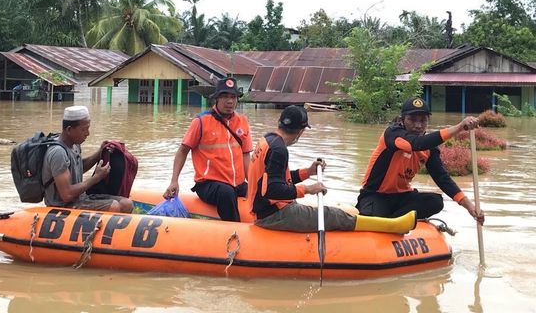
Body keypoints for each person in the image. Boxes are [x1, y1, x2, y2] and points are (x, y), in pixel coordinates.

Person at [248, 105, 416, 233]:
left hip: (265, 209)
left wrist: (308, 172)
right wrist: (308, 189)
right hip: (273, 215)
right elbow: (272, 190)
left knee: (334, 211)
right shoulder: (279, 150)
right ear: (301, 131)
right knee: (333, 215)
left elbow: (276, 179)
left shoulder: (268, 140)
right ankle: (393, 226)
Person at [356, 97, 485, 225]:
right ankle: (388, 222)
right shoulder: (392, 134)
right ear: (402, 120)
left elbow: (442, 178)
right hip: (375, 195)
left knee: (435, 202)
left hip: (403, 198)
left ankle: (393, 222)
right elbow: (415, 144)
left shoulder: (429, 149)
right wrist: (459, 127)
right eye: (412, 120)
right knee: (372, 219)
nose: (418, 125)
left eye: (423, 121)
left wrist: (469, 206)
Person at [163, 77, 253, 222]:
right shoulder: (201, 121)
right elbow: (182, 151)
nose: (229, 101)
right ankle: (234, 231)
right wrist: (174, 181)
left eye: (233, 97)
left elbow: (246, 156)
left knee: (262, 192)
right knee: (226, 193)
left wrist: (253, 185)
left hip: (237, 183)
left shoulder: (242, 121)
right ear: (216, 99)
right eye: (224, 96)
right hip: (209, 184)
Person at [42, 105, 133, 213]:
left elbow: (79, 167)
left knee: (127, 204)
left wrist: (99, 153)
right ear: (69, 130)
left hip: (80, 198)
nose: (87, 133)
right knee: (113, 206)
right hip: (63, 205)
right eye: (83, 129)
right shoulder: (58, 152)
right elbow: (67, 195)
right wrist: (96, 178)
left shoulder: (75, 145)